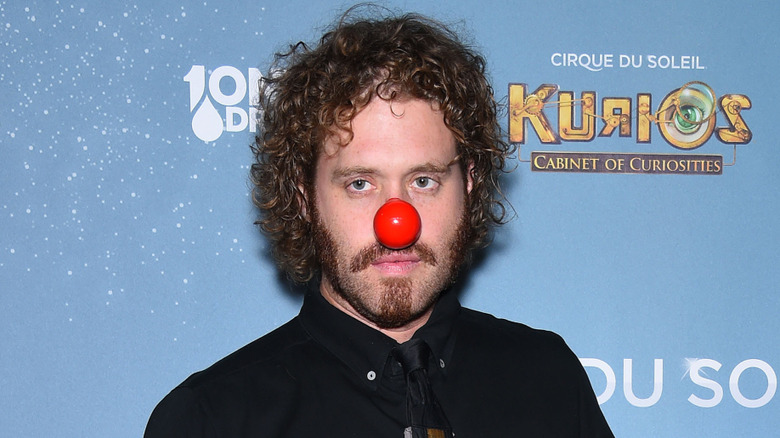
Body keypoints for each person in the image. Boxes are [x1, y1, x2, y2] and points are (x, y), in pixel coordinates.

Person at [145, 8, 614, 437]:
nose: (397, 223)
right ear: (304, 195)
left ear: (468, 186)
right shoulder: (212, 420)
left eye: (424, 180)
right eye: (360, 184)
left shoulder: (549, 382)